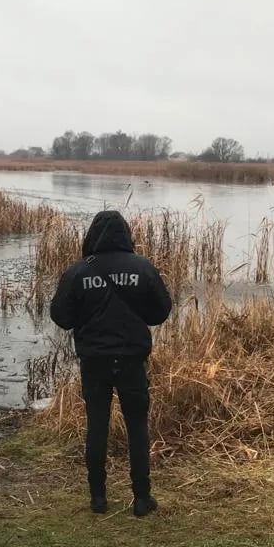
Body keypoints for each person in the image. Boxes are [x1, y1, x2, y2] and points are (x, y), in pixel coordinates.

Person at [49, 210, 173, 517]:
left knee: (97, 426)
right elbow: (160, 312)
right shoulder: (142, 268)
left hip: (94, 362)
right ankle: (142, 499)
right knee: (137, 427)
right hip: (131, 359)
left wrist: (86, 317)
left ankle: (98, 499)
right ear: (126, 235)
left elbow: (60, 317)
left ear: (91, 236)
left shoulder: (78, 272)